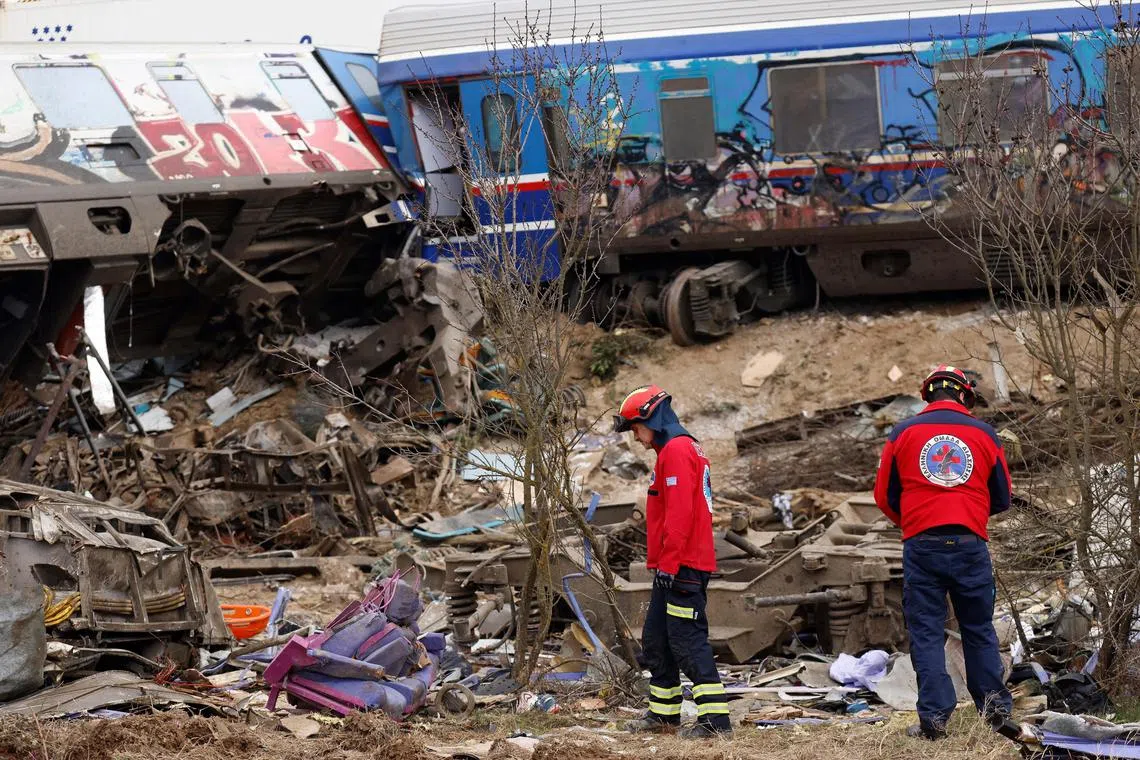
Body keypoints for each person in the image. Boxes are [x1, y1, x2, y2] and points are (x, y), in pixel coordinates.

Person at [873, 365, 1014, 740]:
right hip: (969, 544)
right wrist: (968, 516)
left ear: (928, 395)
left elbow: (884, 495)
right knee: (978, 628)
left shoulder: (902, 432)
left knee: (926, 633)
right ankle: (996, 713)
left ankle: (934, 722)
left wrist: (914, 522)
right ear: (965, 395)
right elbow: (1003, 496)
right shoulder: (984, 434)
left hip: (922, 546)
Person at [613, 385, 732, 739]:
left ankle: (716, 721)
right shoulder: (679, 449)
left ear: (652, 419)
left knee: (686, 641)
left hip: (682, 566)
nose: (637, 438)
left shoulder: (677, 451)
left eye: (636, 429)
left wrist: (669, 563)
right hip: (676, 564)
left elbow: (680, 513)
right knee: (657, 639)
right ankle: (663, 715)